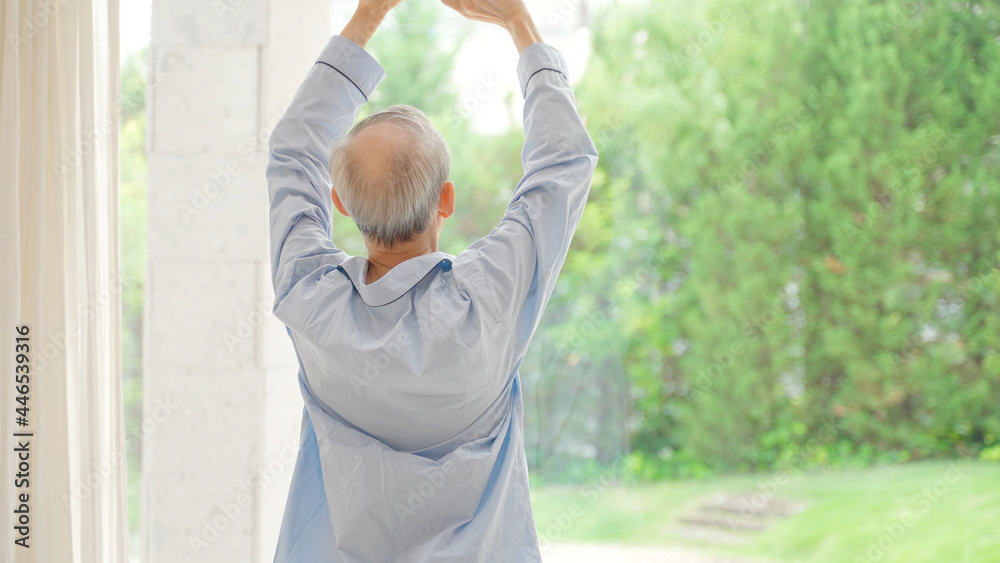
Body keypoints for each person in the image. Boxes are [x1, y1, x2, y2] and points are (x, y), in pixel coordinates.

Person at [267, 0, 598, 560]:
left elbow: (292, 153)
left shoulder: (309, 300)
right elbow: (563, 163)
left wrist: (369, 14)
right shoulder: (487, 303)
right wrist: (518, 22)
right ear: (446, 200)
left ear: (339, 204)